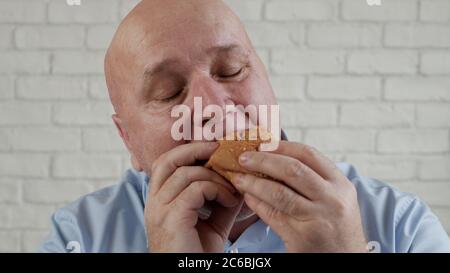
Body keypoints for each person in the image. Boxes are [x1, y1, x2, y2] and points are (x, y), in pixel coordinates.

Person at [40, 0, 450, 253]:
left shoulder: (401, 225)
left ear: (269, 84)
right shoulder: (78, 237)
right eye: (168, 93)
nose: (213, 105)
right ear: (127, 139)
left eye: (231, 70)